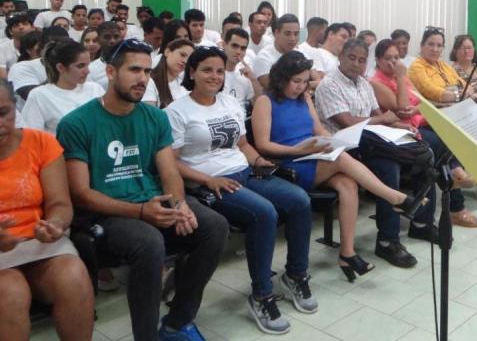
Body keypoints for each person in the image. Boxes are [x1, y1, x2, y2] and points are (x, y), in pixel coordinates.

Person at [56, 39, 229, 341]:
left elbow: (169, 172)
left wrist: (179, 204)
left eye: (147, 71)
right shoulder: (77, 123)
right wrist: (140, 212)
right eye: (134, 70)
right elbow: (82, 193)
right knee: (149, 243)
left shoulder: (155, 117)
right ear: (110, 72)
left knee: (214, 225)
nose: (142, 79)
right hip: (107, 212)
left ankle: (178, 321)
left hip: (152, 202)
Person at [166, 47, 316, 333]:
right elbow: (171, 162)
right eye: (207, 70)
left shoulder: (229, 103)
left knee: (299, 200)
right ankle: (261, 294)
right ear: (192, 72)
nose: (214, 76)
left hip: (246, 173)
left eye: (220, 71)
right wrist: (207, 180)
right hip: (209, 182)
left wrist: (262, 162)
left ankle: (296, 275)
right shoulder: (176, 111)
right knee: (264, 213)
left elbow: (243, 145)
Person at [253, 51, 428, 280]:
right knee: (343, 159)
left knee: (348, 184)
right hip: (289, 163)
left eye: (305, 82)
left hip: (312, 155)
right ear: (281, 78)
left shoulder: (304, 98)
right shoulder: (264, 102)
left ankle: (347, 253)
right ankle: (396, 199)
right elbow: (263, 145)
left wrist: (332, 142)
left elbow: (319, 130)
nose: (300, 87)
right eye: (295, 81)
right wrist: (300, 150)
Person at [315, 39, 436, 268]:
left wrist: (400, 127)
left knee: (424, 156)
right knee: (388, 167)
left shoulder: (363, 83)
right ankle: (387, 241)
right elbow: (347, 123)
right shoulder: (329, 84)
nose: (356, 64)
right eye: (352, 58)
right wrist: (384, 120)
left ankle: (422, 224)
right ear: (341, 56)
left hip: (371, 140)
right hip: (345, 147)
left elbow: (378, 114)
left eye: (362, 60)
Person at [0, 80, 95, 341]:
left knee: (73, 276)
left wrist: (55, 224)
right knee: (10, 291)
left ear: (14, 109)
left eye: (3, 113)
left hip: (39, 240)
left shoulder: (40, 143)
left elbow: (59, 203)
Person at [372, 39, 477, 227]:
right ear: (378, 60)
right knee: (438, 148)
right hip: (401, 130)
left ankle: (452, 184)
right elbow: (404, 107)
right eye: (388, 58)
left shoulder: (404, 78)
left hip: (420, 122)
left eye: (396, 58)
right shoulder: (377, 81)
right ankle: (455, 194)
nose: (393, 63)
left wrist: (416, 107)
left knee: (452, 135)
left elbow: (420, 102)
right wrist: (400, 80)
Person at [20, 40, 104, 134]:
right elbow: (32, 135)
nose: (87, 71)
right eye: (80, 66)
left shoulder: (95, 89)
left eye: (88, 65)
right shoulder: (39, 95)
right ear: (60, 67)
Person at [253, 13, 301, 88]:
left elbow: (314, 79)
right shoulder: (264, 57)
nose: (293, 38)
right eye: (287, 34)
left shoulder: (299, 54)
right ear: (276, 33)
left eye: (296, 34)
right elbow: (275, 88)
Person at [143, 39, 194, 109]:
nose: (185, 61)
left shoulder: (183, 84)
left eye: (189, 59)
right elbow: (149, 115)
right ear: (167, 52)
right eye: (182, 55)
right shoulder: (149, 81)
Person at [221, 28, 260, 111]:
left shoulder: (245, 73)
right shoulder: (214, 74)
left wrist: (253, 80)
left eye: (243, 48)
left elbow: (257, 104)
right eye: (234, 46)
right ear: (224, 45)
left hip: (241, 121)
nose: (238, 51)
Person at [86, 21, 123, 89]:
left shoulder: (131, 64)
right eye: (107, 37)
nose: (112, 41)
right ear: (98, 40)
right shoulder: (91, 70)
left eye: (116, 36)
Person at [1, 13, 35, 77]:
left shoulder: (41, 45)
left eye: (25, 24)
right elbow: (3, 78)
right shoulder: (2, 48)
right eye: (16, 25)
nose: (21, 27)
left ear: (33, 27)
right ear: (10, 31)